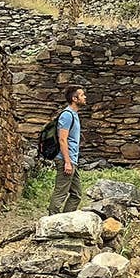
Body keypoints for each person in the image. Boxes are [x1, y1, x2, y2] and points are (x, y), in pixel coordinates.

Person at [48, 85, 87, 215]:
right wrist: (67, 162)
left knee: (76, 194)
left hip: (72, 160)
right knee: (61, 192)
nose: (85, 97)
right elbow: (62, 139)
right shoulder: (67, 115)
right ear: (74, 99)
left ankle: (64, 219)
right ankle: (52, 220)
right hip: (65, 159)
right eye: (82, 95)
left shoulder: (74, 115)